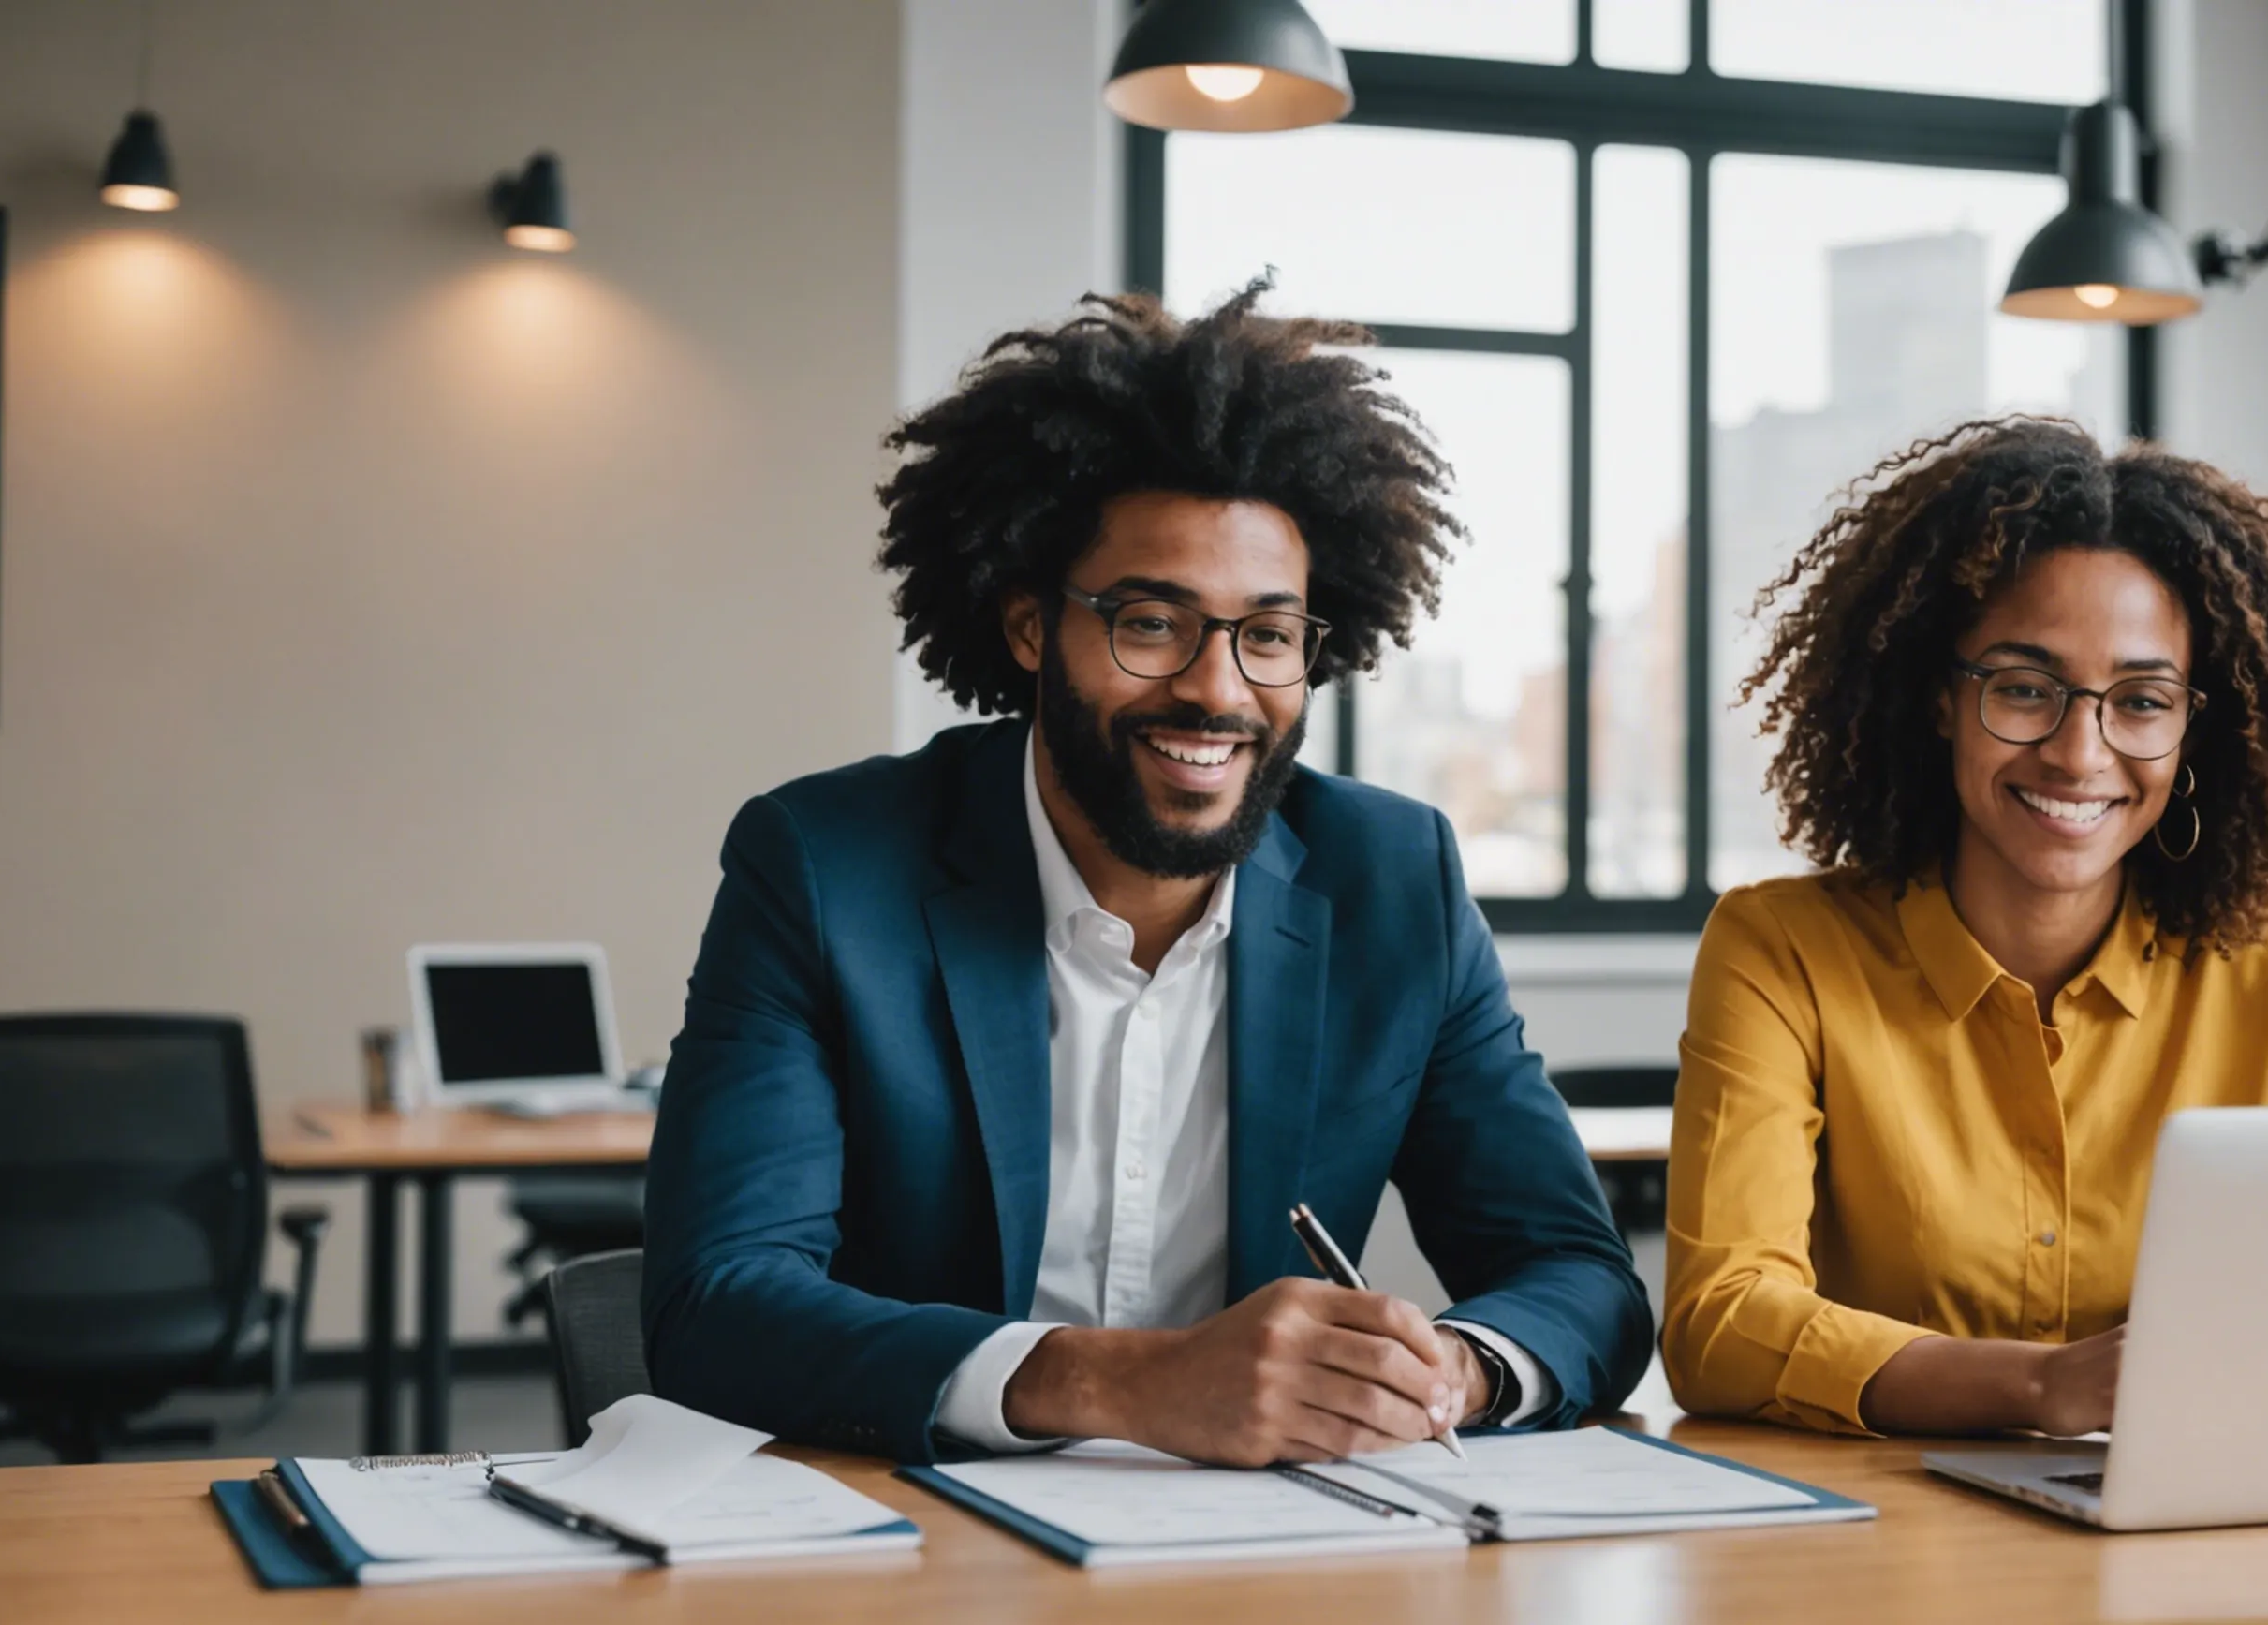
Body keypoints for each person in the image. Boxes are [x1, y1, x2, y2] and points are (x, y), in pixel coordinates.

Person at [642, 283, 1650, 1468]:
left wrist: (1448, 1373)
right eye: (1153, 622)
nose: (1218, 691)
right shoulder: (825, 866)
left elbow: (1579, 1276)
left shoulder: (1395, 881)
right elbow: (715, 1305)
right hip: (921, 1539)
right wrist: (1123, 1381)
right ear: (1029, 628)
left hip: (1270, 1546)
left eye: (1267, 635)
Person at [1662, 417, 2268, 1440]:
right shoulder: (1781, 949)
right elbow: (1719, 1325)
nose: (2080, 752)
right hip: (1890, 1544)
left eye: (2142, 700)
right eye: (2025, 689)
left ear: (2198, 721)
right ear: (1940, 697)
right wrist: (2036, 1385)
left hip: (2193, 1520)